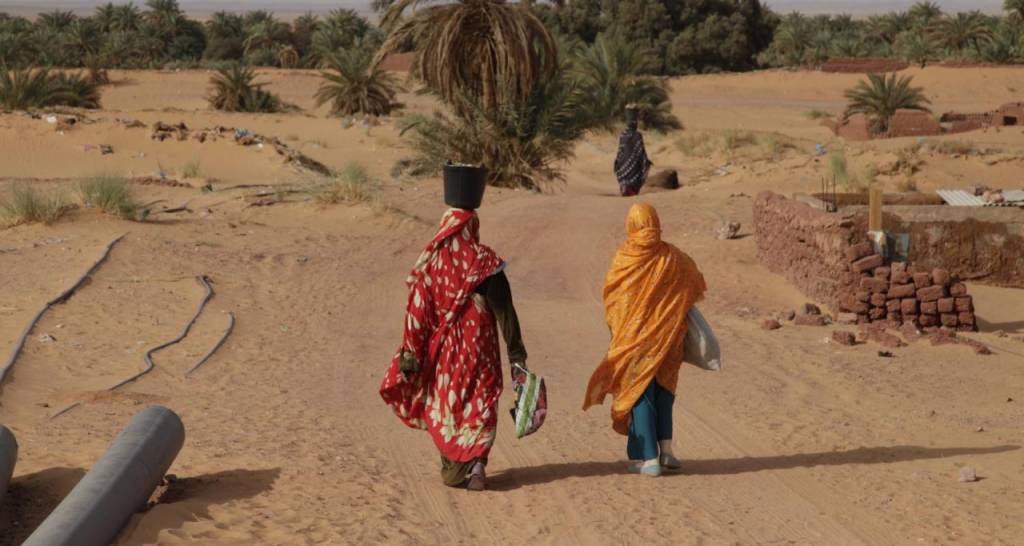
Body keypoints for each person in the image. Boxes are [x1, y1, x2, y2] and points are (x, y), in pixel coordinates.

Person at [380, 208, 528, 491]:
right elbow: (506, 313)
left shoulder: (431, 266)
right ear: (472, 228)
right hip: (481, 351)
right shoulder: (486, 262)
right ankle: (477, 462)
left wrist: (410, 355)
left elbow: (417, 315)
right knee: (481, 402)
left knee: (450, 407)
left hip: (445, 357)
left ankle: (462, 464)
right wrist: (517, 355)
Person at [582, 203, 707, 476]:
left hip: (635, 341)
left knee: (639, 393)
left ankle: (648, 458)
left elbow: (613, 299)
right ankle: (667, 451)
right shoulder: (674, 257)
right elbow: (696, 283)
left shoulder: (624, 259)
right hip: (670, 338)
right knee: (664, 391)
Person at [614, 106, 653, 197]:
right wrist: (646, 162)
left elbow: (620, 153)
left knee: (624, 168)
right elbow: (641, 153)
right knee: (641, 167)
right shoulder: (637, 135)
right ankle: (630, 189)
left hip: (623, 168)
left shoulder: (623, 135)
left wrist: (619, 164)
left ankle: (624, 187)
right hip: (634, 169)